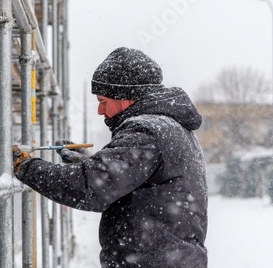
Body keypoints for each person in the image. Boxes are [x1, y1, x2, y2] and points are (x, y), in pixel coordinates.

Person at [13, 47, 208, 268]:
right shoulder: (168, 127)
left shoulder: (146, 132)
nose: (99, 110)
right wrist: (91, 163)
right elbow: (130, 179)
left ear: (125, 97)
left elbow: (90, 188)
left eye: (103, 100)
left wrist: (26, 167)